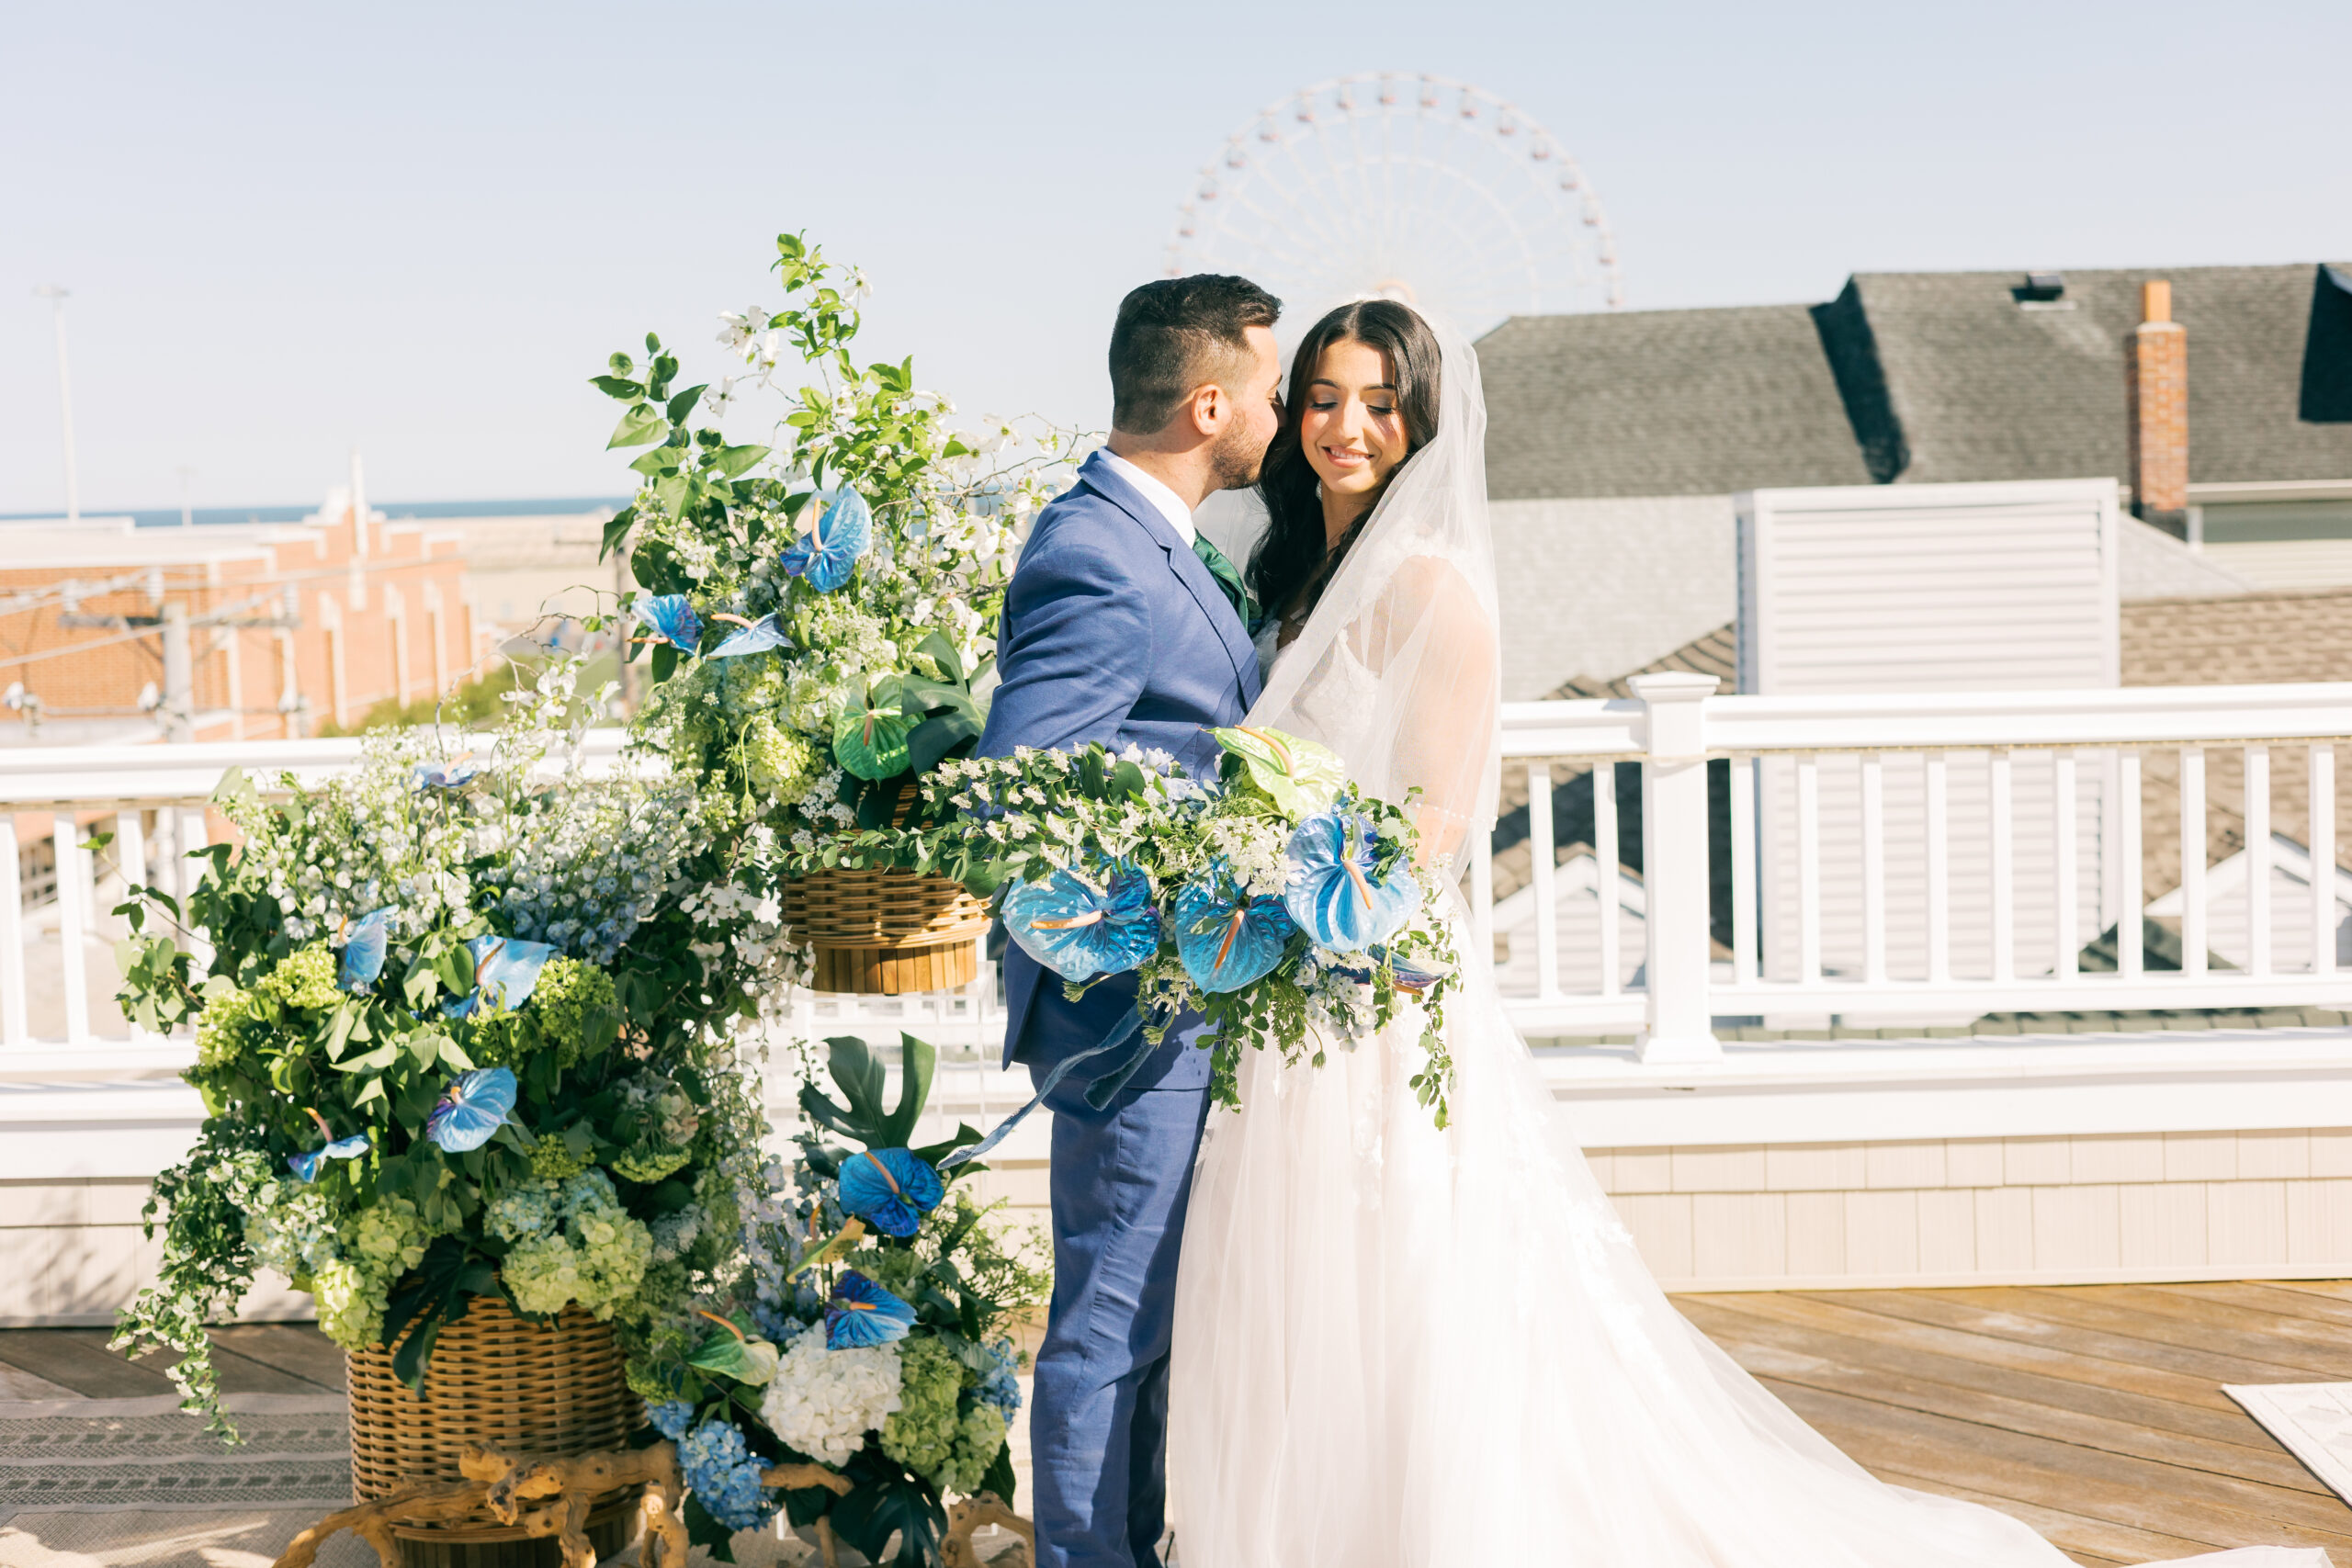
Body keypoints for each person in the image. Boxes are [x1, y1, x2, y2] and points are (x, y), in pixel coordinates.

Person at [1161, 298, 2325, 1568]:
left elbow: (1432, 833)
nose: (1346, 425)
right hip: (1286, 1003)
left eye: (1381, 402)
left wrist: (1277, 877)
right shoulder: (1295, 581)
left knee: (1396, 1283)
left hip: (1376, 999)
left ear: (1422, 423)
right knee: (1302, 1285)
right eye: (1324, 397)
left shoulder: (1437, 595)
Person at [972, 274, 1284, 1568]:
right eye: (1272, 391)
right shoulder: (1098, 550)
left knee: (1153, 1322)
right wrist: (1213, 870)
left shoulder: (1154, 538)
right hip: (1134, 1012)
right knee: (1108, 1324)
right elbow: (1020, 793)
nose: (1279, 413)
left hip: (1183, 1000)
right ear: (1211, 403)